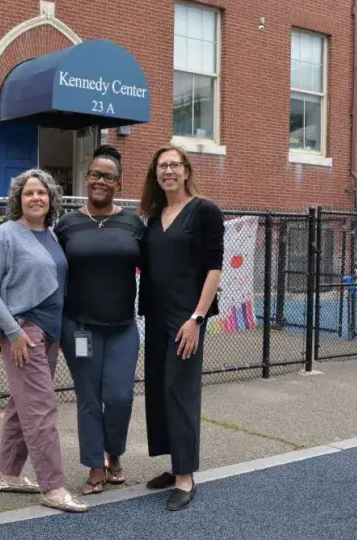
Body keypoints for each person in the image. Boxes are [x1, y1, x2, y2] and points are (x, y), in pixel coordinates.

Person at [0, 168, 88, 513]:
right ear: (18, 200)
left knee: (21, 405)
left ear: (51, 198)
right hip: (24, 332)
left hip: (51, 332)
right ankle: (53, 487)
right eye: (28, 193)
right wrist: (14, 332)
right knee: (41, 409)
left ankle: (9, 474)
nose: (35, 198)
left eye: (41, 192)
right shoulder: (5, 235)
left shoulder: (51, 235)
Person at [137, 144, 224, 511]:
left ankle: (186, 476)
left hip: (185, 318)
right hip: (156, 317)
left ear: (186, 171)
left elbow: (214, 269)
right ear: (156, 175)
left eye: (174, 165)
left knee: (181, 392)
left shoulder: (204, 211)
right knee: (158, 392)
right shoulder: (155, 216)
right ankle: (173, 467)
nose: (168, 171)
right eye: (162, 166)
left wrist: (197, 319)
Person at [54, 145, 145, 496]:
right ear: (86, 177)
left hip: (123, 327)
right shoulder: (67, 224)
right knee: (89, 397)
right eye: (95, 174)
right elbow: (50, 269)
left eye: (108, 176)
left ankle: (114, 454)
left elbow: (155, 270)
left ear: (119, 184)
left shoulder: (133, 223)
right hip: (80, 329)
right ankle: (95, 467)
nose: (100, 181)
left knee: (120, 396)